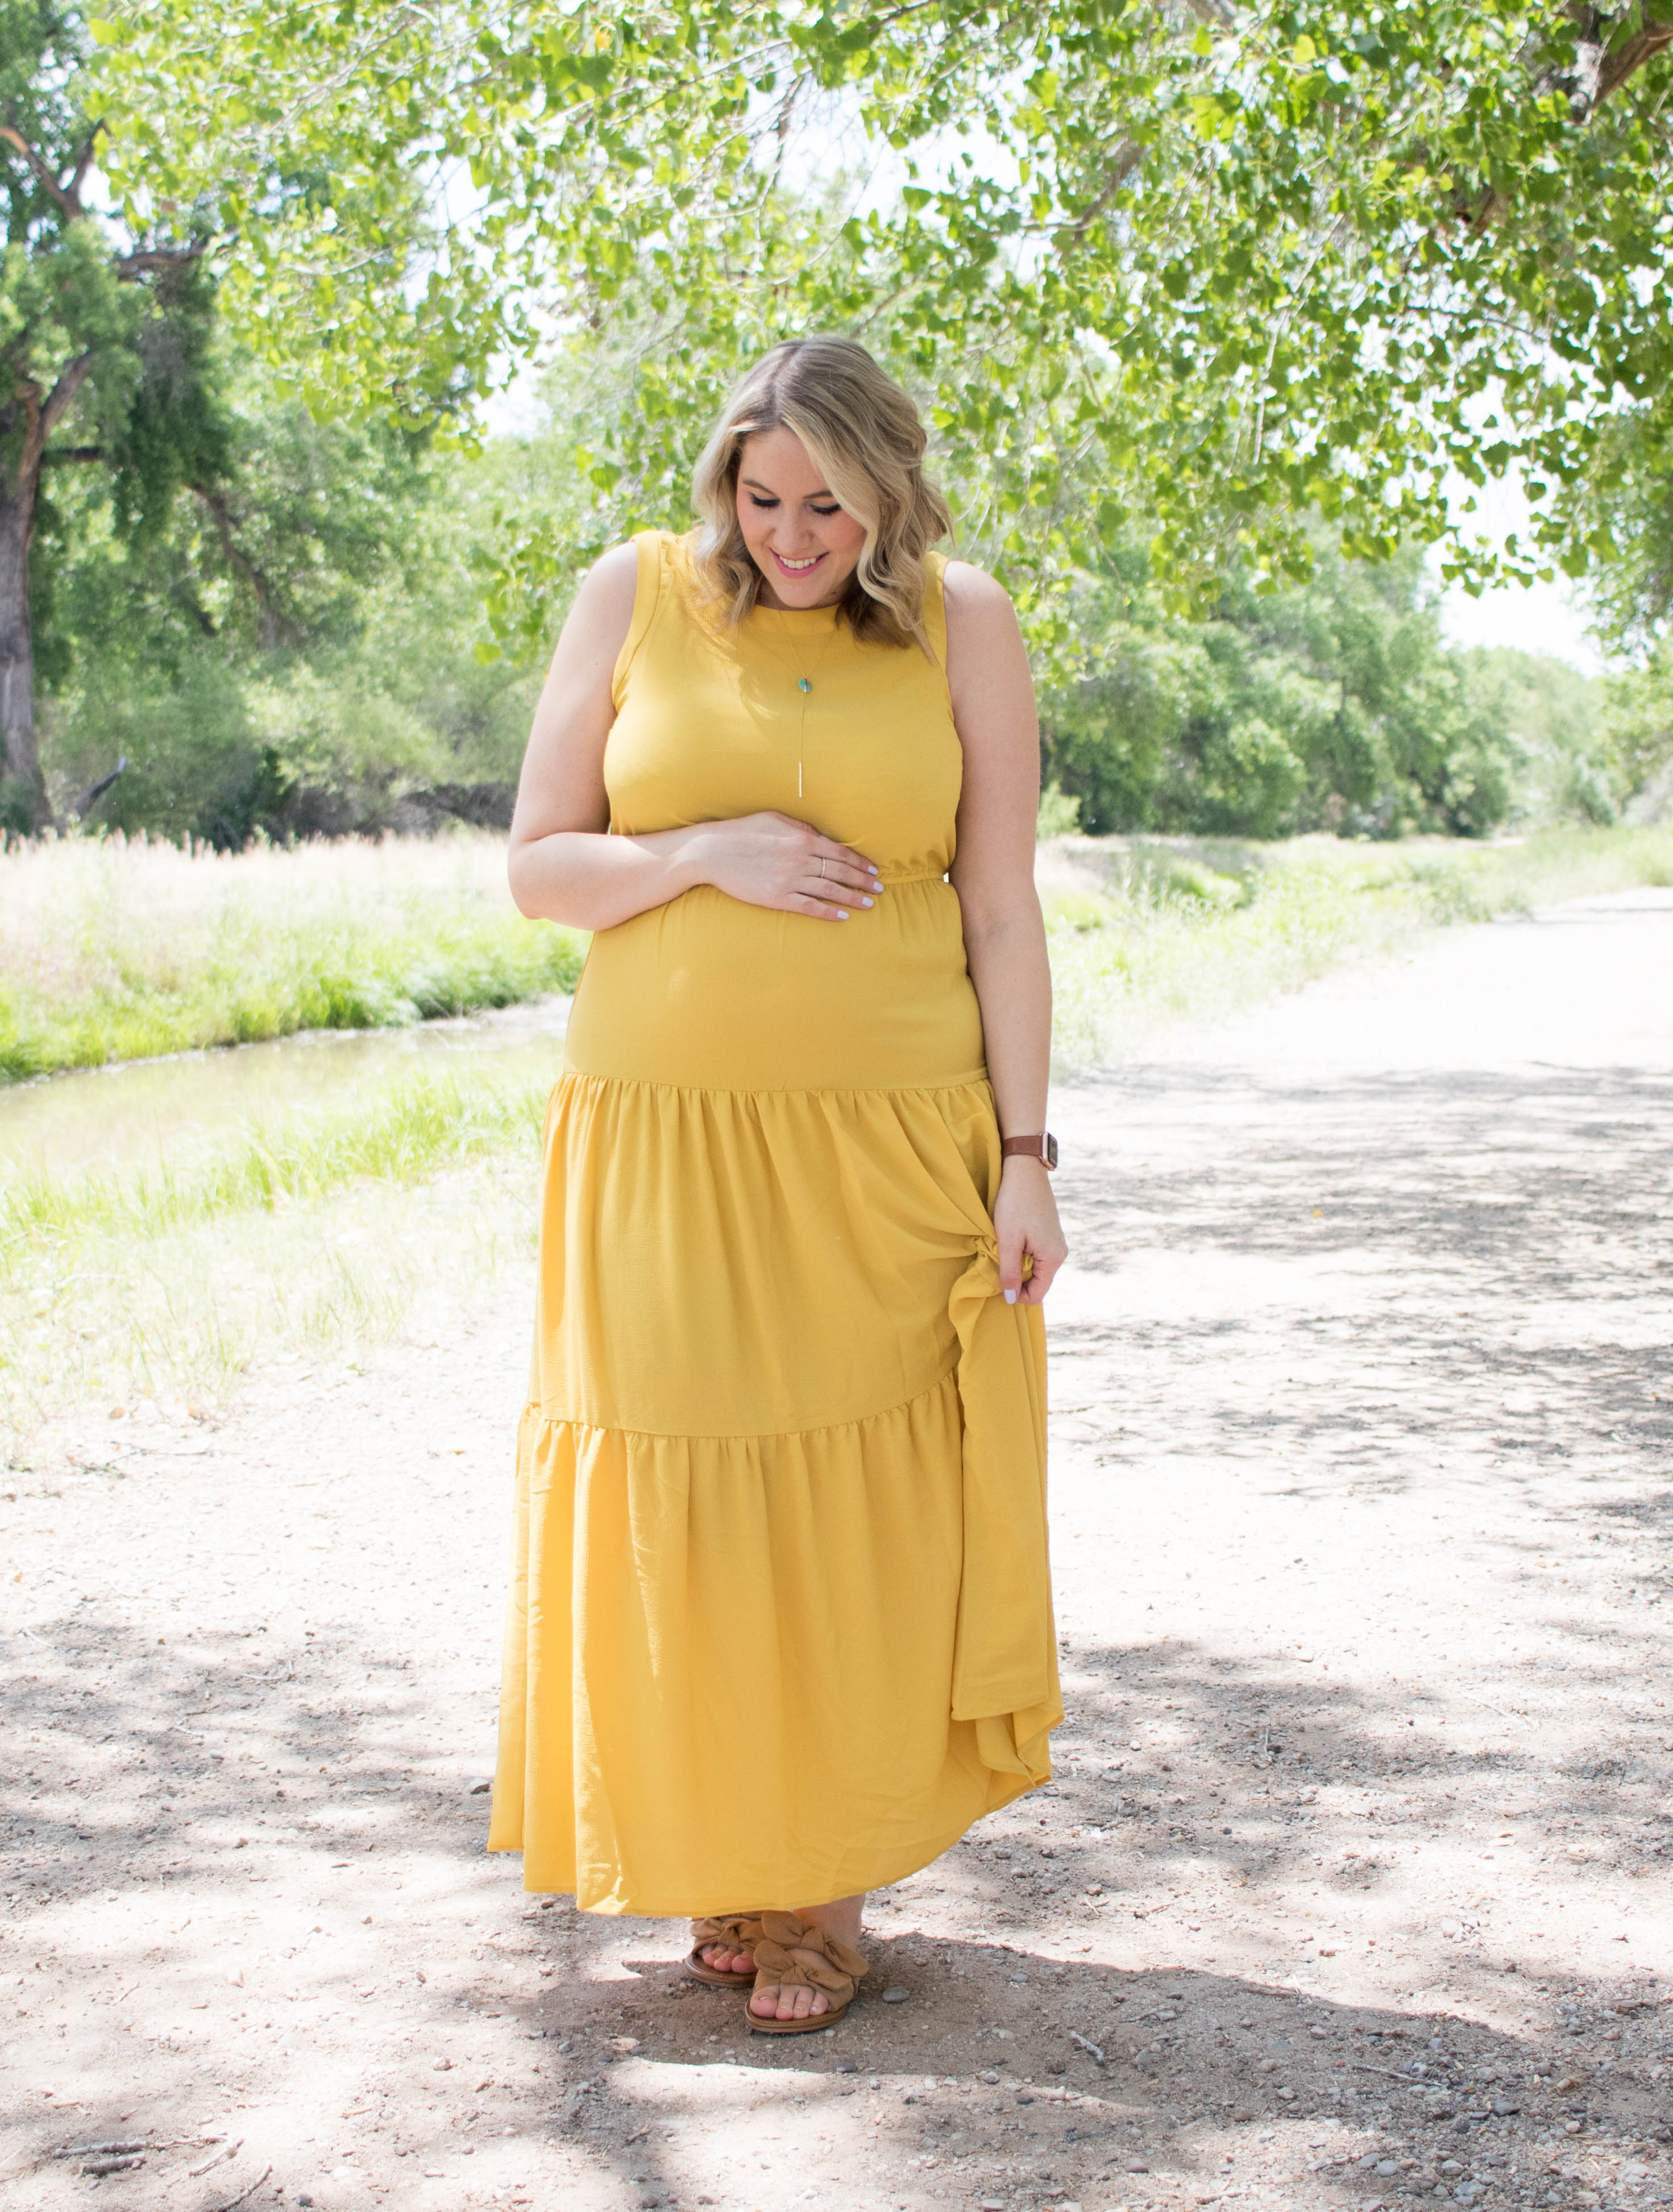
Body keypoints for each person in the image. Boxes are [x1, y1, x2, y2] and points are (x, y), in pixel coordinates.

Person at [489, 335, 1067, 2035]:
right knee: (686, 1500)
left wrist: (1027, 1156)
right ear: (724, 476)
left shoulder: (965, 621)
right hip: (660, 1143)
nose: (794, 532)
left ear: (889, 494)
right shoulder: (637, 591)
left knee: (861, 1516)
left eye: (831, 501)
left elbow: (1004, 910)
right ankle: (734, 1855)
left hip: (889, 1148)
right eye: (765, 493)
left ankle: (823, 1893)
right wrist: (695, 855)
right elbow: (536, 866)